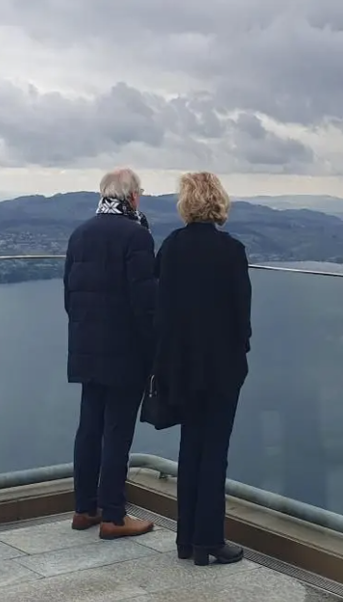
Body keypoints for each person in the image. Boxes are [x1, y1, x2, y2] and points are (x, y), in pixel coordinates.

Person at [154, 172, 252, 565]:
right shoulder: (231, 250)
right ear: (219, 201)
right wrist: (239, 356)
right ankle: (209, 540)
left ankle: (186, 540)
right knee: (215, 452)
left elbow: (161, 309)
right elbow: (240, 316)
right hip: (221, 368)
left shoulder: (171, 247)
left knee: (190, 448)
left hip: (179, 367)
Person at [64, 167, 157, 540]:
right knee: (118, 431)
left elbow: (69, 294)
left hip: (86, 347)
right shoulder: (136, 236)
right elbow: (145, 303)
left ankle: (85, 507)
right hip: (124, 352)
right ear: (133, 196)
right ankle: (114, 516)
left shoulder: (80, 233)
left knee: (89, 428)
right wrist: (154, 350)